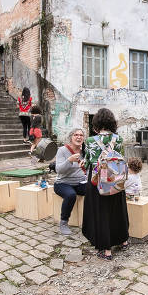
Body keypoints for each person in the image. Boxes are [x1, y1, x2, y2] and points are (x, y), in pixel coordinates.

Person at [81, 108, 129, 260]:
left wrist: (84, 162)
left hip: (98, 180)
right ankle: (123, 240)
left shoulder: (89, 141)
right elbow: (120, 156)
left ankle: (106, 250)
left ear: (96, 123)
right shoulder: (119, 139)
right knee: (117, 209)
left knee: (101, 211)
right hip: (115, 177)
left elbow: (88, 161)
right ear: (111, 122)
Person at [53, 127, 87, 235]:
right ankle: (63, 223)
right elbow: (59, 170)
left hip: (80, 182)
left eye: (81, 135)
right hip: (63, 183)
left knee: (95, 190)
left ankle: (91, 220)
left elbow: (89, 168)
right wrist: (69, 160)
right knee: (71, 195)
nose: (79, 137)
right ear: (70, 137)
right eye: (76, 135)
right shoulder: (62, 150)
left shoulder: (85, 151)